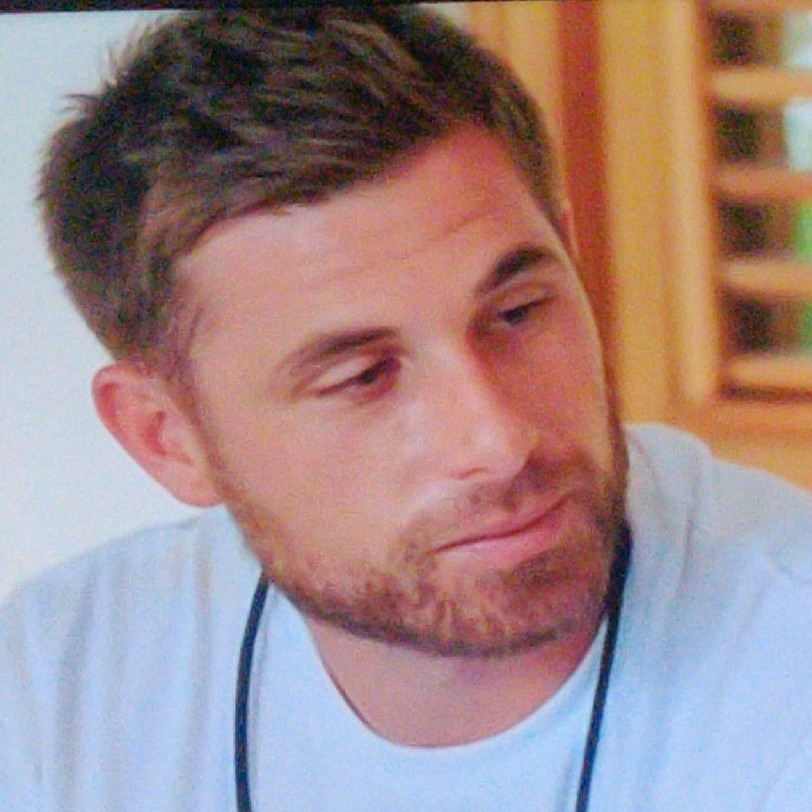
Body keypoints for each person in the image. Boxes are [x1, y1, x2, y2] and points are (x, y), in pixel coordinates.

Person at [2, 7, 811, 811]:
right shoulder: (50, 696)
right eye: (363, 377)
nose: (498, 440)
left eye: (518, 313)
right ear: (167, 438)